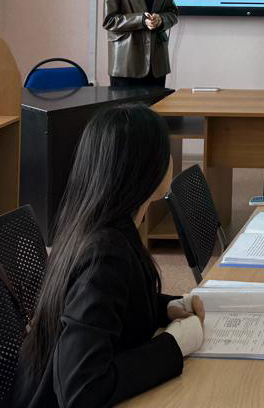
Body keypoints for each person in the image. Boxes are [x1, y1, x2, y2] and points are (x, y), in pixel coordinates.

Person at [14, 104, 203, 408]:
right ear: (143, 171)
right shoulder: (105, 257)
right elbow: (81, 390)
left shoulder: (95, 226)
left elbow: (112, 308)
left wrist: (166, 308)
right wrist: (174, 345)